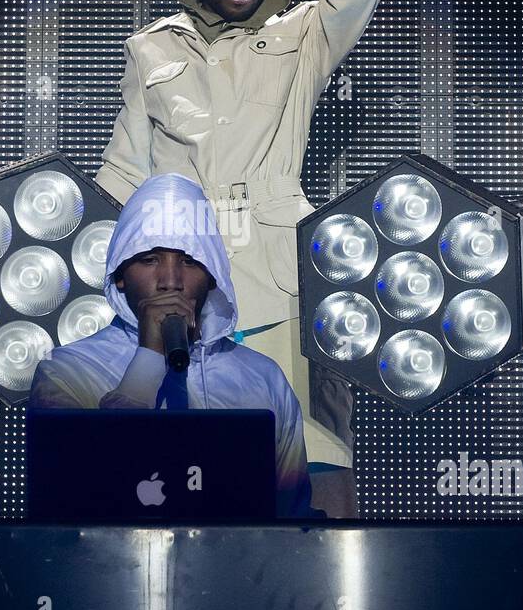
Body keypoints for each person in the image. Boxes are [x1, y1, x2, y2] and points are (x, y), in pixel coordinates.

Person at [94, 0, 381, 517]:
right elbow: (125, 171)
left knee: (315, 453)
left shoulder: (304, 36)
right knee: (183, 462)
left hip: (283, 274)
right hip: (180, 278)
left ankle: (333, 607)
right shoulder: (152, 49)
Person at [28, 172, 315, 518]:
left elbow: (293, 521)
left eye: (189, 261)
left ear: (212, 276)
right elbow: (73, 497)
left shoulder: (263, 378)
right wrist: (149, 357)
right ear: (120, 273)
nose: (170, 282)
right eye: (149, 260)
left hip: (233, 570)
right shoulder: (67, 371)